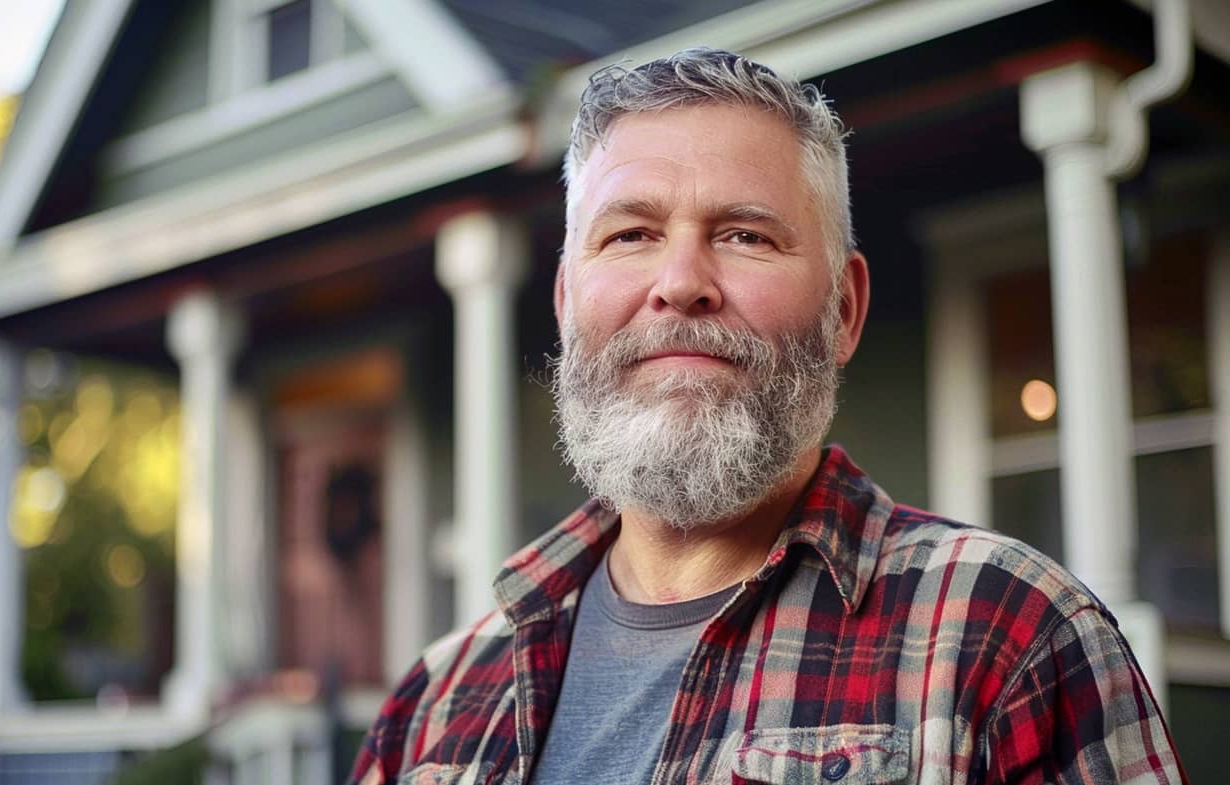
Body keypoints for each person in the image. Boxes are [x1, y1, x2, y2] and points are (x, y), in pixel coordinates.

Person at [348, 48, 1184, 784]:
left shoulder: (1008, 635)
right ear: (567, 305)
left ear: (845, 311)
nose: (681, 281)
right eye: (631, 233)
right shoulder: (434, 706)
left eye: (746, 235)